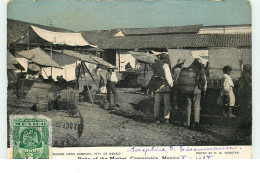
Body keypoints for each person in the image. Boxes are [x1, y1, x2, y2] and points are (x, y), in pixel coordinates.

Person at [178, 58, 206, 128]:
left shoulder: (188, 67)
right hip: (196, 88)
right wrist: (202, 87)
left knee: (188, 105)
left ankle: (187, 122)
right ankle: (196, 122)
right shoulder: (201, 69)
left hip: (188, 88)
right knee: (196, 106)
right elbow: (203, 80)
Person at [151, 53, 173, 123]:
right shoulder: (165, 65)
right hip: (164, 85)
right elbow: (168, 76)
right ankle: (166, 119)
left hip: (156, 85)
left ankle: (156, 117)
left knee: (157, 102)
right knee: (166, 103)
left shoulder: (155, 64)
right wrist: (171, 84)